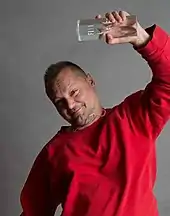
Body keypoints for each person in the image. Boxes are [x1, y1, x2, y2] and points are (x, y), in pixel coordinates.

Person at [20, 10, 170, 216]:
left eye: (74, 92)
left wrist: (142, 39)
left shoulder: (134, 118)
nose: (71, 105)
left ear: (90, 81)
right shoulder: (53, 153)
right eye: (60, 102)